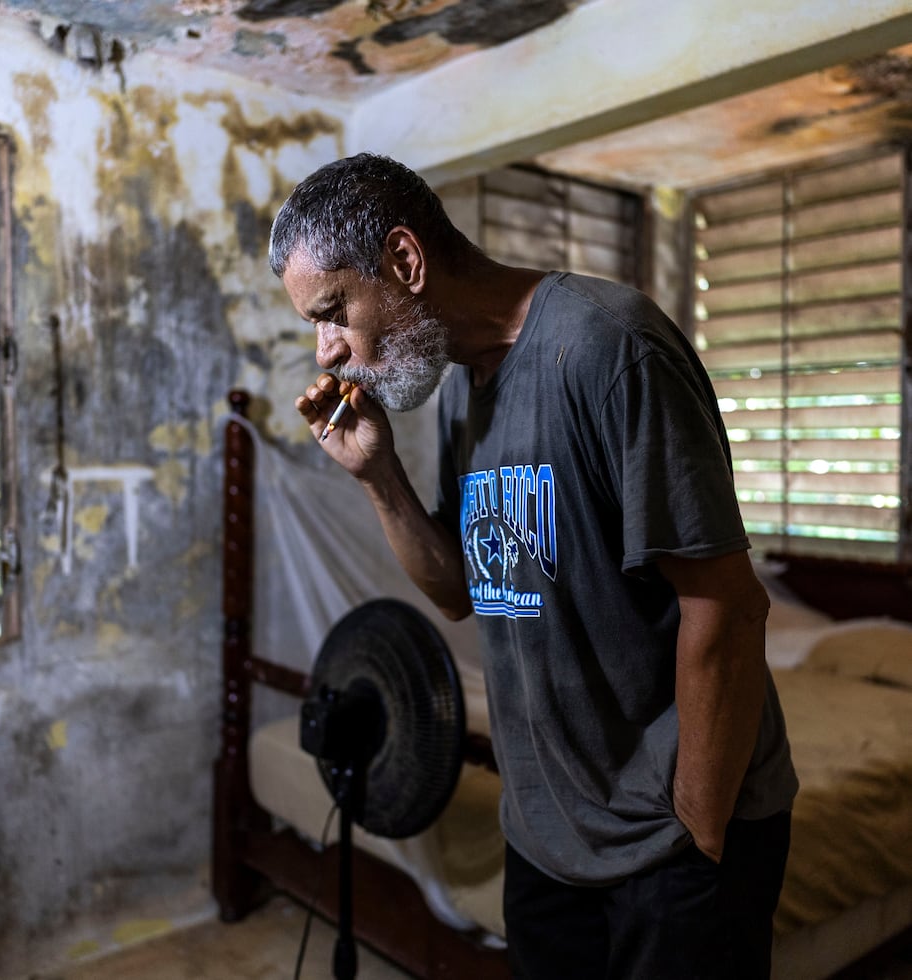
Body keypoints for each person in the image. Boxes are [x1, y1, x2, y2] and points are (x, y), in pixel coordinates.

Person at [269, 152, 798, 980]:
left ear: (405, 261)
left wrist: (696, 829)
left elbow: (728, 607)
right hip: (550, 840)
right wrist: (379, 473)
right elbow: (458, 592)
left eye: (332, 310)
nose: (327, 351)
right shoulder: (457, 391)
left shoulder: (608, 346)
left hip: (673, 845)